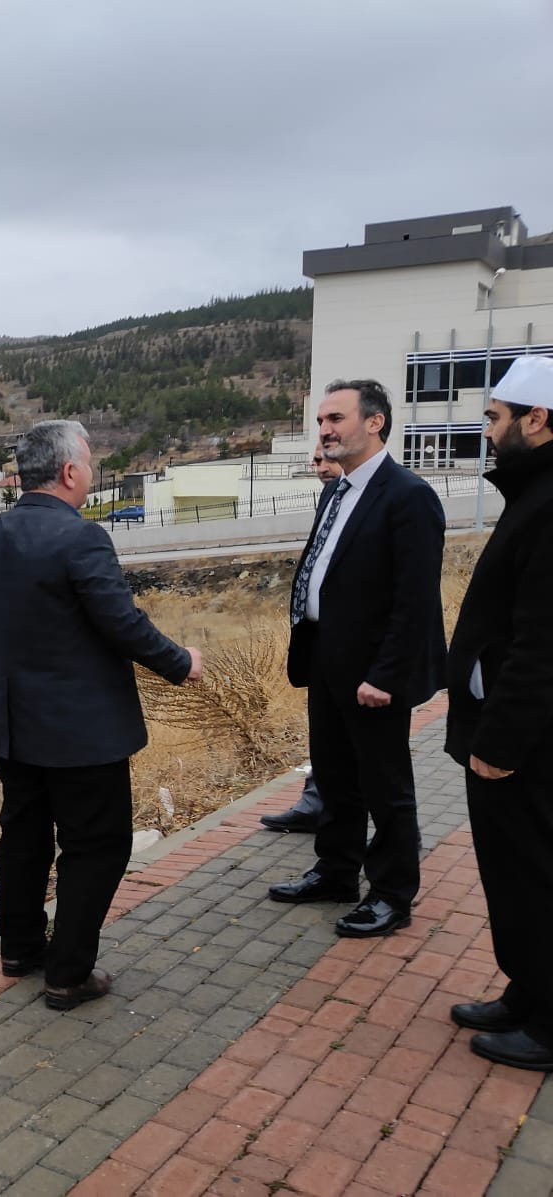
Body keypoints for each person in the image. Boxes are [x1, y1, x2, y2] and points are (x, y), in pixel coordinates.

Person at [0, 420, 202, 1011]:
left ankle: (19, 949)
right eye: (88, 462)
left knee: (24, 834)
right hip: (80, 731)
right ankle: (68, 973)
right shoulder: (81, 538)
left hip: (13, 724)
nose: (89, 471)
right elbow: (120, 622)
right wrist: (182, 662)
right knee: (96, 844)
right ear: (70, 472)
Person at [268, 380, 446, 937]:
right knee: (336, 774)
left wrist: (386, 675)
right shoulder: (336, 490)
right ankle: (336, 872)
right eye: (321, 419)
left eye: (336, 418)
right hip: (327, 658)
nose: (324, 430)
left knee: (385, 785)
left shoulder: (408, 496)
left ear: (375, 423)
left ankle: (392, 893)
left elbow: (414, 598)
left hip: (373, 672)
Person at [443, 354, 553, 1072]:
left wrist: (503, 741)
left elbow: (543, 641)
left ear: (537, 420)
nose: (486, 430)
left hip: (525, 746)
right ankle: (529, 990)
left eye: (495, 418)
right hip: (506, 736)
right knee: (513, 874)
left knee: (536, 871)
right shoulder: (534, 493)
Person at [260, 452, 346, 834]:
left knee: (372, 750)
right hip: (321, 643)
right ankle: (316, 804)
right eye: (315, 461)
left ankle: (397, 840)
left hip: (360, 650)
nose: (321, 468)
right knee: (325, 735)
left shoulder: (392, 497)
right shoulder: (330, 499)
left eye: (328, 460)